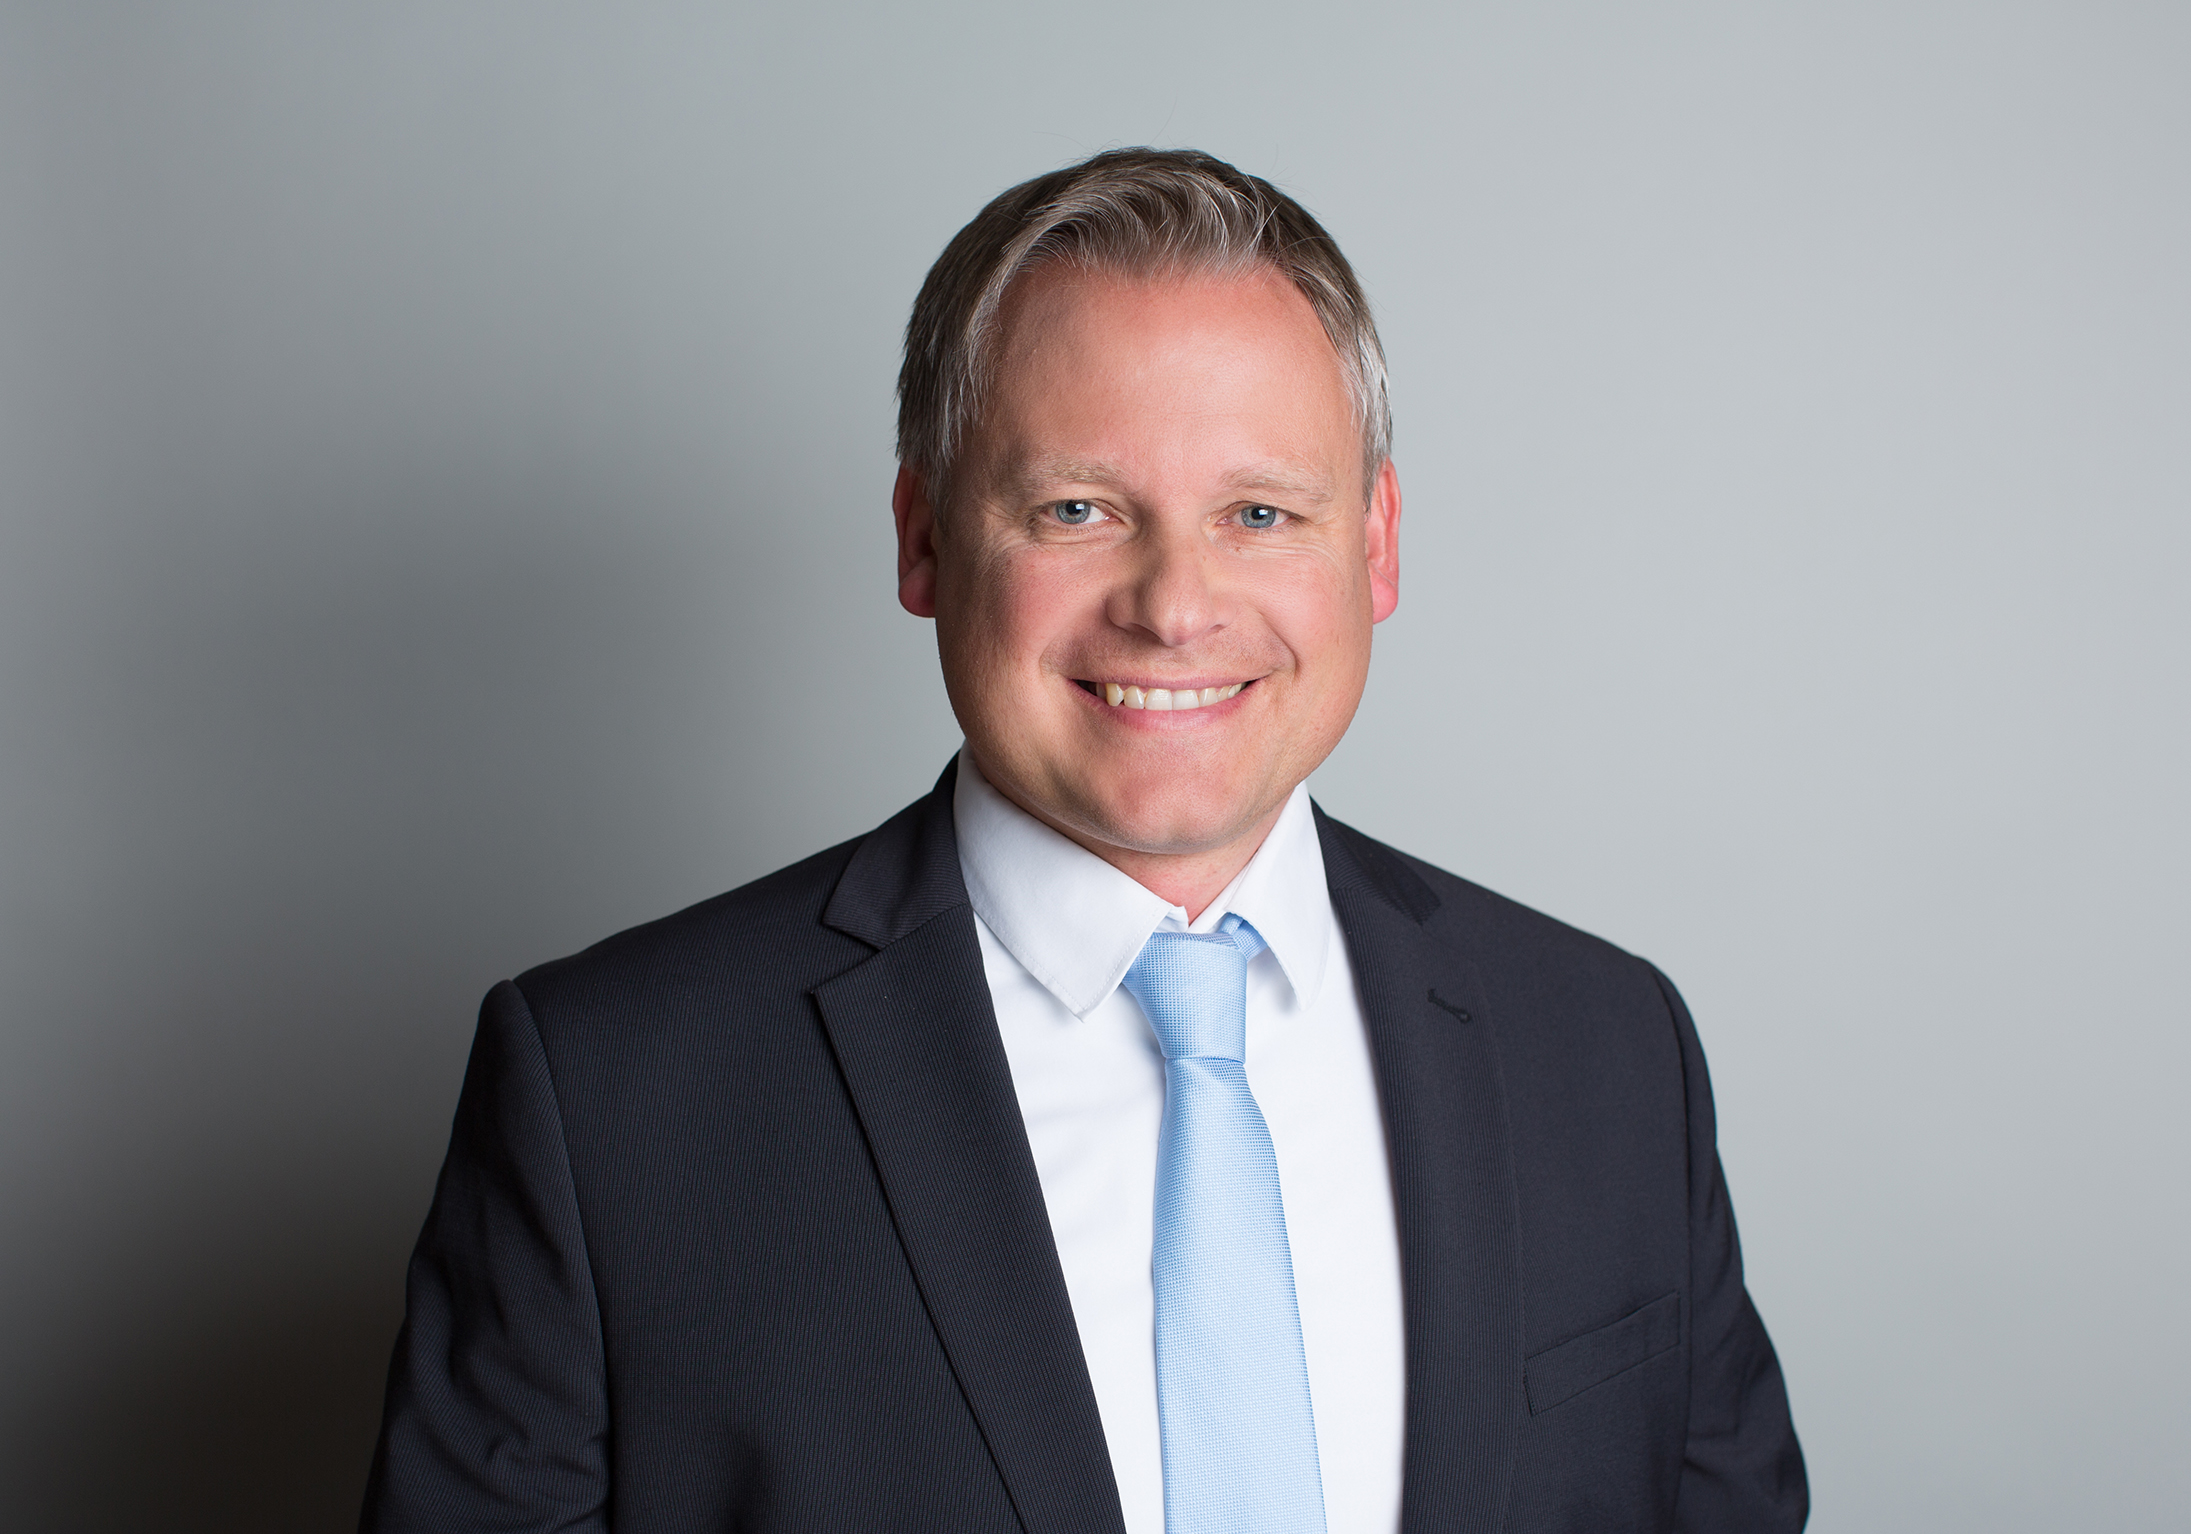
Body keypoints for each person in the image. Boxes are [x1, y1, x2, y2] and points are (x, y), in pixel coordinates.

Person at [361, 147, 1807, 1534]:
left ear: (1374, 544)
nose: (1174, 606)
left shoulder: (1609, 1049)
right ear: (925, 539)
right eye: (1077, 509)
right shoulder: (607, 1099)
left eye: (1259, 512)